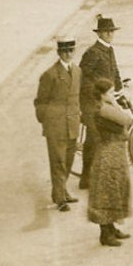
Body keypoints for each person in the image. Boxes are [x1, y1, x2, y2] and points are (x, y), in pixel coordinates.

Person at [33, 37, 81, 212]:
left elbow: (77, 98)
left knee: (68, 160)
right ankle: (59, 198)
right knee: (58, 162)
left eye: (71, 51)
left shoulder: (77, 71)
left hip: (72, 124)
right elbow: (40, 102)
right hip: (56, 126)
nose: (68, 54)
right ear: (59, 53)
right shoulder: (50, 75)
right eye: (65, 51)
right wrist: (47, 121)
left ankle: (63, 191)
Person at [85, 77, 133, 247]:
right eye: (111, 92)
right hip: (109, 153)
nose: (113, 94)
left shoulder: (104, 106)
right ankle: (105, 234)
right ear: (103, 95)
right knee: (108, 192)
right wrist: (117, 104)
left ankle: (110, 228)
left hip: (113, 152)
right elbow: (126, 120)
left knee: (113, 190)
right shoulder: (105, 109)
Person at [78, 16, 123, 188]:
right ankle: (85, 179)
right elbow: (83, 77)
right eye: (108, 32)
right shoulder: (93, 52)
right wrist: (99, 94)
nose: (111, 34)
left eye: (112, 31)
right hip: (91, 101)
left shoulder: (109, 49)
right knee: (94, 138)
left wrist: (120, 90)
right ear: (101, 33)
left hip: (106, 97)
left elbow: (114, 71)